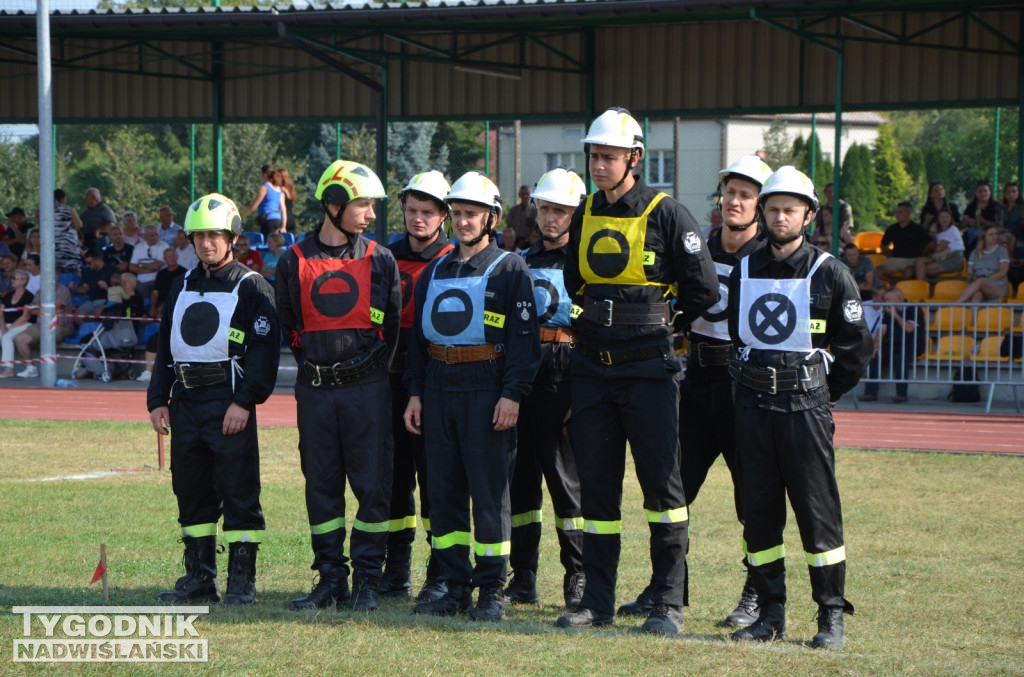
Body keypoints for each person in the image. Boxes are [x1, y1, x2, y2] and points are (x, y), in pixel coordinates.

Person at [555, 107, 718, 636]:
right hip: (593, 370)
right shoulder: (582, 214)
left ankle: (667, 604)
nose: (599, 165)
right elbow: (574, 280)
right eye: (594, 156)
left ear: (634, 158)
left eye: (608, 156)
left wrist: (665, 325)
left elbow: (704, 289)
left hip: (649, 370)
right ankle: (596, 604)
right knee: (597, 493)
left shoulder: (667, 213)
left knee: (662, 492)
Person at [617, 155, 773, 627]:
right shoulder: (698, 245)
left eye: (746, 195)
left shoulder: (770, 259)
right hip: (696, 382)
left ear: (761, 206)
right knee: (672, 489)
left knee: (754, 498)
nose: (735, 201)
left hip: (742, 386)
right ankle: (667, 586)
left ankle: (758, 593)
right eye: (730, 192)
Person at [727, 166, 872, 649]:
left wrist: (824, 392)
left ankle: (830, 616)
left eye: (790, 208)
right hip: (752, 408)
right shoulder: (745, 267)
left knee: (817, 514)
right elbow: (736, 335)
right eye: (772, 208)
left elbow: (854, 348)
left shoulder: (830, 271)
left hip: (804, 409)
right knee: (759, 516)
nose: (779, 216)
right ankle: (770, 615)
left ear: (808, 214)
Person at [403, 171, 540, 623]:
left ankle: (490, 591)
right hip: (439, 387)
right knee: (442, 494)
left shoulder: (510, 268)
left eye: (471, 214)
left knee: (488, 495)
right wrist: (415, 394)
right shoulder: (437, 269)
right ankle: (454, 586)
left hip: (487, 390)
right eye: (457, 213)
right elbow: (416, 343)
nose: (463, 221)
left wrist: (512, 396)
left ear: (491, 218)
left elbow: (524, 342)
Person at [277, 160, 401, 613]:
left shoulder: (380, 258)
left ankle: (368, 579)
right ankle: (331, 578)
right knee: (321, 486)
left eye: (371, 205)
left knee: (373, 486)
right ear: (333, 205)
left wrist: (361, 372)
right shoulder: (292, 260)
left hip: (368, 390)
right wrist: (320, 368)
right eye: (363, 204)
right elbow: (288, 324)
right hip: (315, 393)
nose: (370, 213)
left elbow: (391, 329)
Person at [146, 193, 280, 605]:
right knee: (191, 491)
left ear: (232, 237)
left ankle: (242, 582)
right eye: (199, 236)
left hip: (228, 404)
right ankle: (200, 579)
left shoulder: (251, 286)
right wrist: (157, 399)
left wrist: (244, 402)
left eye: (215, 236)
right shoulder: (183, 284)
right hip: (186, 401)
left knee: (239, 491)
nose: (206, 244)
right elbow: (167, 347)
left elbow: (263, 351)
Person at [505, 167, 588, 609]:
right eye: (545, 209)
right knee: (522, 484)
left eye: (560, 210)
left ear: (575, 213)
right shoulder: (522, 260)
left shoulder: (588, 262)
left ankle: (578, 577)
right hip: (525, 375)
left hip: (566, 375)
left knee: (566, 484)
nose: (550, 218)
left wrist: (582, 397)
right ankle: (524, 576)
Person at [381, 170, 454, 601]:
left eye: (427, 212)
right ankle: (397, 569)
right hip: (387, 382)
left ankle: (440, 572)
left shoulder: (453, 260)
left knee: (436, 480)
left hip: (434, 382)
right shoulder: (385, 257)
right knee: (393, 480)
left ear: (443, 215)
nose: (417, 219)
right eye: (411, 210)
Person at [861, 287, 926, 403]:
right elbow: (882, 329)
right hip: (892, 343)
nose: (886, 302)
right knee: (874, 355)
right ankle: (871, 392)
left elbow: (909, 329)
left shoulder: (913, 308)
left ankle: (902, 394)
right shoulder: (888, 310)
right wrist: (875, 346)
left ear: (899, 299)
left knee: (899, 358)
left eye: (888, 299)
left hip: (911, 344)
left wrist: (896, 315)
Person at [13, 280, 73, 378]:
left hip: (60, 326)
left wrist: (40, 308)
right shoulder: (40, 291)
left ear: (56, 277)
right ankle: (31, 368)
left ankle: (50, 371)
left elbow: (54, 307)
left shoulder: (63, 290)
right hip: (40, 325)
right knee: (20, 339)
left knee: (48, 337)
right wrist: (46, 310)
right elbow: (33, 310)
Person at [877, 202, 933, 285]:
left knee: (909, 272)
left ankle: (898, 287)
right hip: (895, 259)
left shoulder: (917, 228)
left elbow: (931, 243)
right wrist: (891, 253)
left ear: (908, 214)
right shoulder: (892, 228)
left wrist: (922, 253)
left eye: (901, 212)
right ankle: (892, 284)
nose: (897, 215)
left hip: (912, 259)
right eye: (896, 212)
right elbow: (883, 245)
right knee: (877, 271)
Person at [954, 224, 1010, 303]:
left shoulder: (1002, 251)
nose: (994, 236)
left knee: (980, 282)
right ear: (984, 237)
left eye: (996, 234)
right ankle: (974, 315)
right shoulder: (975, 252)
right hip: (978, 283)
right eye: (991, 234)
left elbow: (1002, 273)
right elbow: (969, 273)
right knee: (977, 295)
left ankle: (955, 305)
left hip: (998, 285)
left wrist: (985, 279)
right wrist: (973, 277)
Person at [914, 208, 965, 281]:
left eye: (946, 217)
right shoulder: (938, 234)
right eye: (941, 217)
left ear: (951, 218)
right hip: (940, 257)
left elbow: (938, 249)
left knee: (923, 270)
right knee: (920, 261)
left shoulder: (953, 229)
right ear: (938, 219)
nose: (944, 219)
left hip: (953, 258)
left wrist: (932, 247)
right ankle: (924, 287)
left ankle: (923, 287)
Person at [0, 269, 34, 379]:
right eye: (12, 278)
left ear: (23, 281)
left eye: (14, 278)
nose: (12, 280)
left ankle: (8, 369)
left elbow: (25, 316)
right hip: (7, 325)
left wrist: (9, 329)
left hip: (23, 325)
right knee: (3, 335)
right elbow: (1, 313)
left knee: (6, 337)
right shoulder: (8, 296)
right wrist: (3, 327)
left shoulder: (29, 296)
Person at [242, 165, 288, 237]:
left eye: (260, 174)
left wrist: (241, 217)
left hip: (268, 221)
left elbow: (253, 206)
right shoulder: (279, 189)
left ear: (265, 175)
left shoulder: (265, 188)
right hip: (277, 220)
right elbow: (283, 209)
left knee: (268, 244)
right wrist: (283, 226)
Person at [961, 180, 1002, 254]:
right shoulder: (972, 206)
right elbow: (963, 225)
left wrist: (984, 222)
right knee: (964, 236)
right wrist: (967, 221)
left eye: (985, 191)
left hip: (989, 231)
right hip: (972, 230)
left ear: (990, 192)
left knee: (978, 237)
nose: (983, 193)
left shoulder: (996, 206)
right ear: (976, 193)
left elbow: (998, 225)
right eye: (980, 191)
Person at [128, 225, 170, 298]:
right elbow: (131, 267)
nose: (155, 237)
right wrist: (152, 269)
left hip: (157, 280)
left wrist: (141, 265)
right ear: (145, 236)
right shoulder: (138, 247)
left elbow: (156, 266)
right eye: (152, 235)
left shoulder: (164, 246)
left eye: (156, 234)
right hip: (141, 281)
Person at [73, 249, 117, 316]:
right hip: (91, 301)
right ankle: (88, 325)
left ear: (97, 260)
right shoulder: (88, 271)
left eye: (89, 263)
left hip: (107, 301)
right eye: (86, 263)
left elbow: (119, 291)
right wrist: (76, 288)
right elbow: (85, 289)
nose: (87, 265)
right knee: (77, 315)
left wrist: (107, 287)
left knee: (98, 312)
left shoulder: (112, 270)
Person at [149, 248, 187, 319]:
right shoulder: (161, 274)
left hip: (176, 305)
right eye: (169, 257)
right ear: (164, 259)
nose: (171, 258)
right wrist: (152, 308)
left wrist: (164, 306)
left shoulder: (184, 273)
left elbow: (181, 294)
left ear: (177, 257)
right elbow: (155, 292)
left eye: (173, 256)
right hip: (160, 304)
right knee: (144, 319)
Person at [54, 189, 84, 273]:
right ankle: (76, 285)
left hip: (55, 245)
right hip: (69, 245)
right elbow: (79, 225)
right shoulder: (68, 209)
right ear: (63, 198)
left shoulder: (47, 211)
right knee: (74, 268)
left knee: (57, 269)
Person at [506, 185, 538, 250]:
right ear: (519, 195)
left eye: (527, 194)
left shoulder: (535, 211)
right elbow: (508, 226)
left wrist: (526, 240)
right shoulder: (513, 210)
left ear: (530, 196)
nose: (525, 196)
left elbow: (536, 230)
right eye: (522, 194)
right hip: (514, 240)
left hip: (529, 241)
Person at [279, 169, 298, 233]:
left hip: (283, 219)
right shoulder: (290, 190)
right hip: (291, 218)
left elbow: (282, 208)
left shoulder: (281, 191)